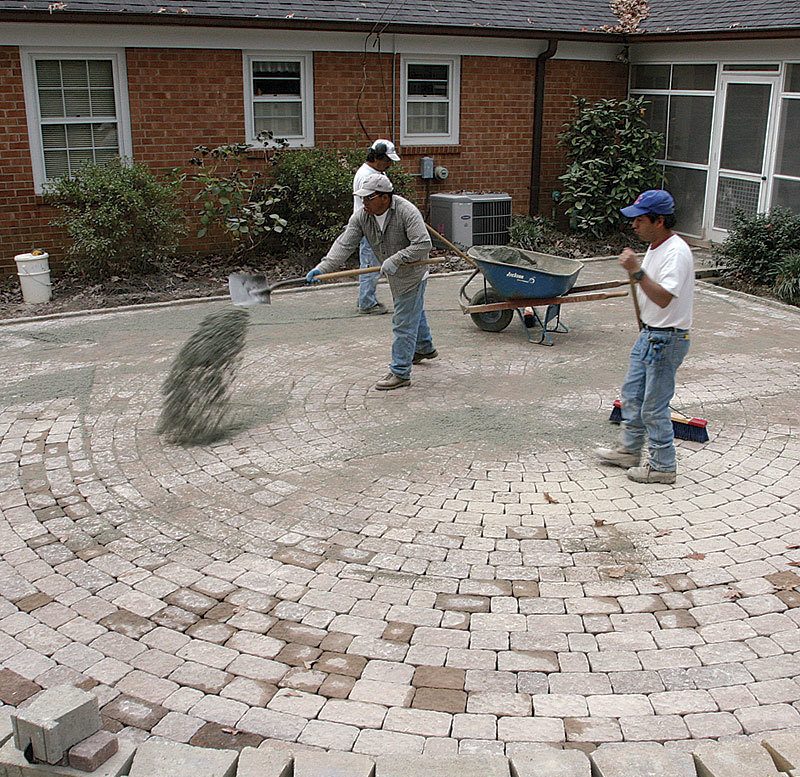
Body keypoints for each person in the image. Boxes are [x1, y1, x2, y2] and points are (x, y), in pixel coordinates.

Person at [596, 189, 694, 484]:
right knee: (632, 396)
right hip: (651, 335)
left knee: (653, 406)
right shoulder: (656, 246)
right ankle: (629, 450)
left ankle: (663, 467)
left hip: (667, 339)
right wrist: (639, 270)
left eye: (639, 220)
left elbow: (664, 297)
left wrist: (637, 271)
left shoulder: (676, 253)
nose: (633, 225)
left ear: (659, 220)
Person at [305, 173, 438, 391]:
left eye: (369, 198)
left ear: (385, 197)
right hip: (394, 273)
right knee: (412, 311)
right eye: (363, 198)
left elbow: (423, 244)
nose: (364, 203)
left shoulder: (406, 211)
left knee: (403, 322)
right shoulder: (362, 217)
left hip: (412, 274)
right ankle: (424, 347)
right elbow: (344, 245)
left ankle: (400, 372)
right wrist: (322, 268)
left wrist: (396, 259)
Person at [352, 139, 400, 315]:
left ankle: (365, 298)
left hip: (375, 226)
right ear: (377, 157)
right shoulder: (367, 176)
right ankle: (366, 303)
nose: (389, 164)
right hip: (370, 227)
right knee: (370, 265)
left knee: (371, 264)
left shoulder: (375, 172)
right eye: (387, 160)